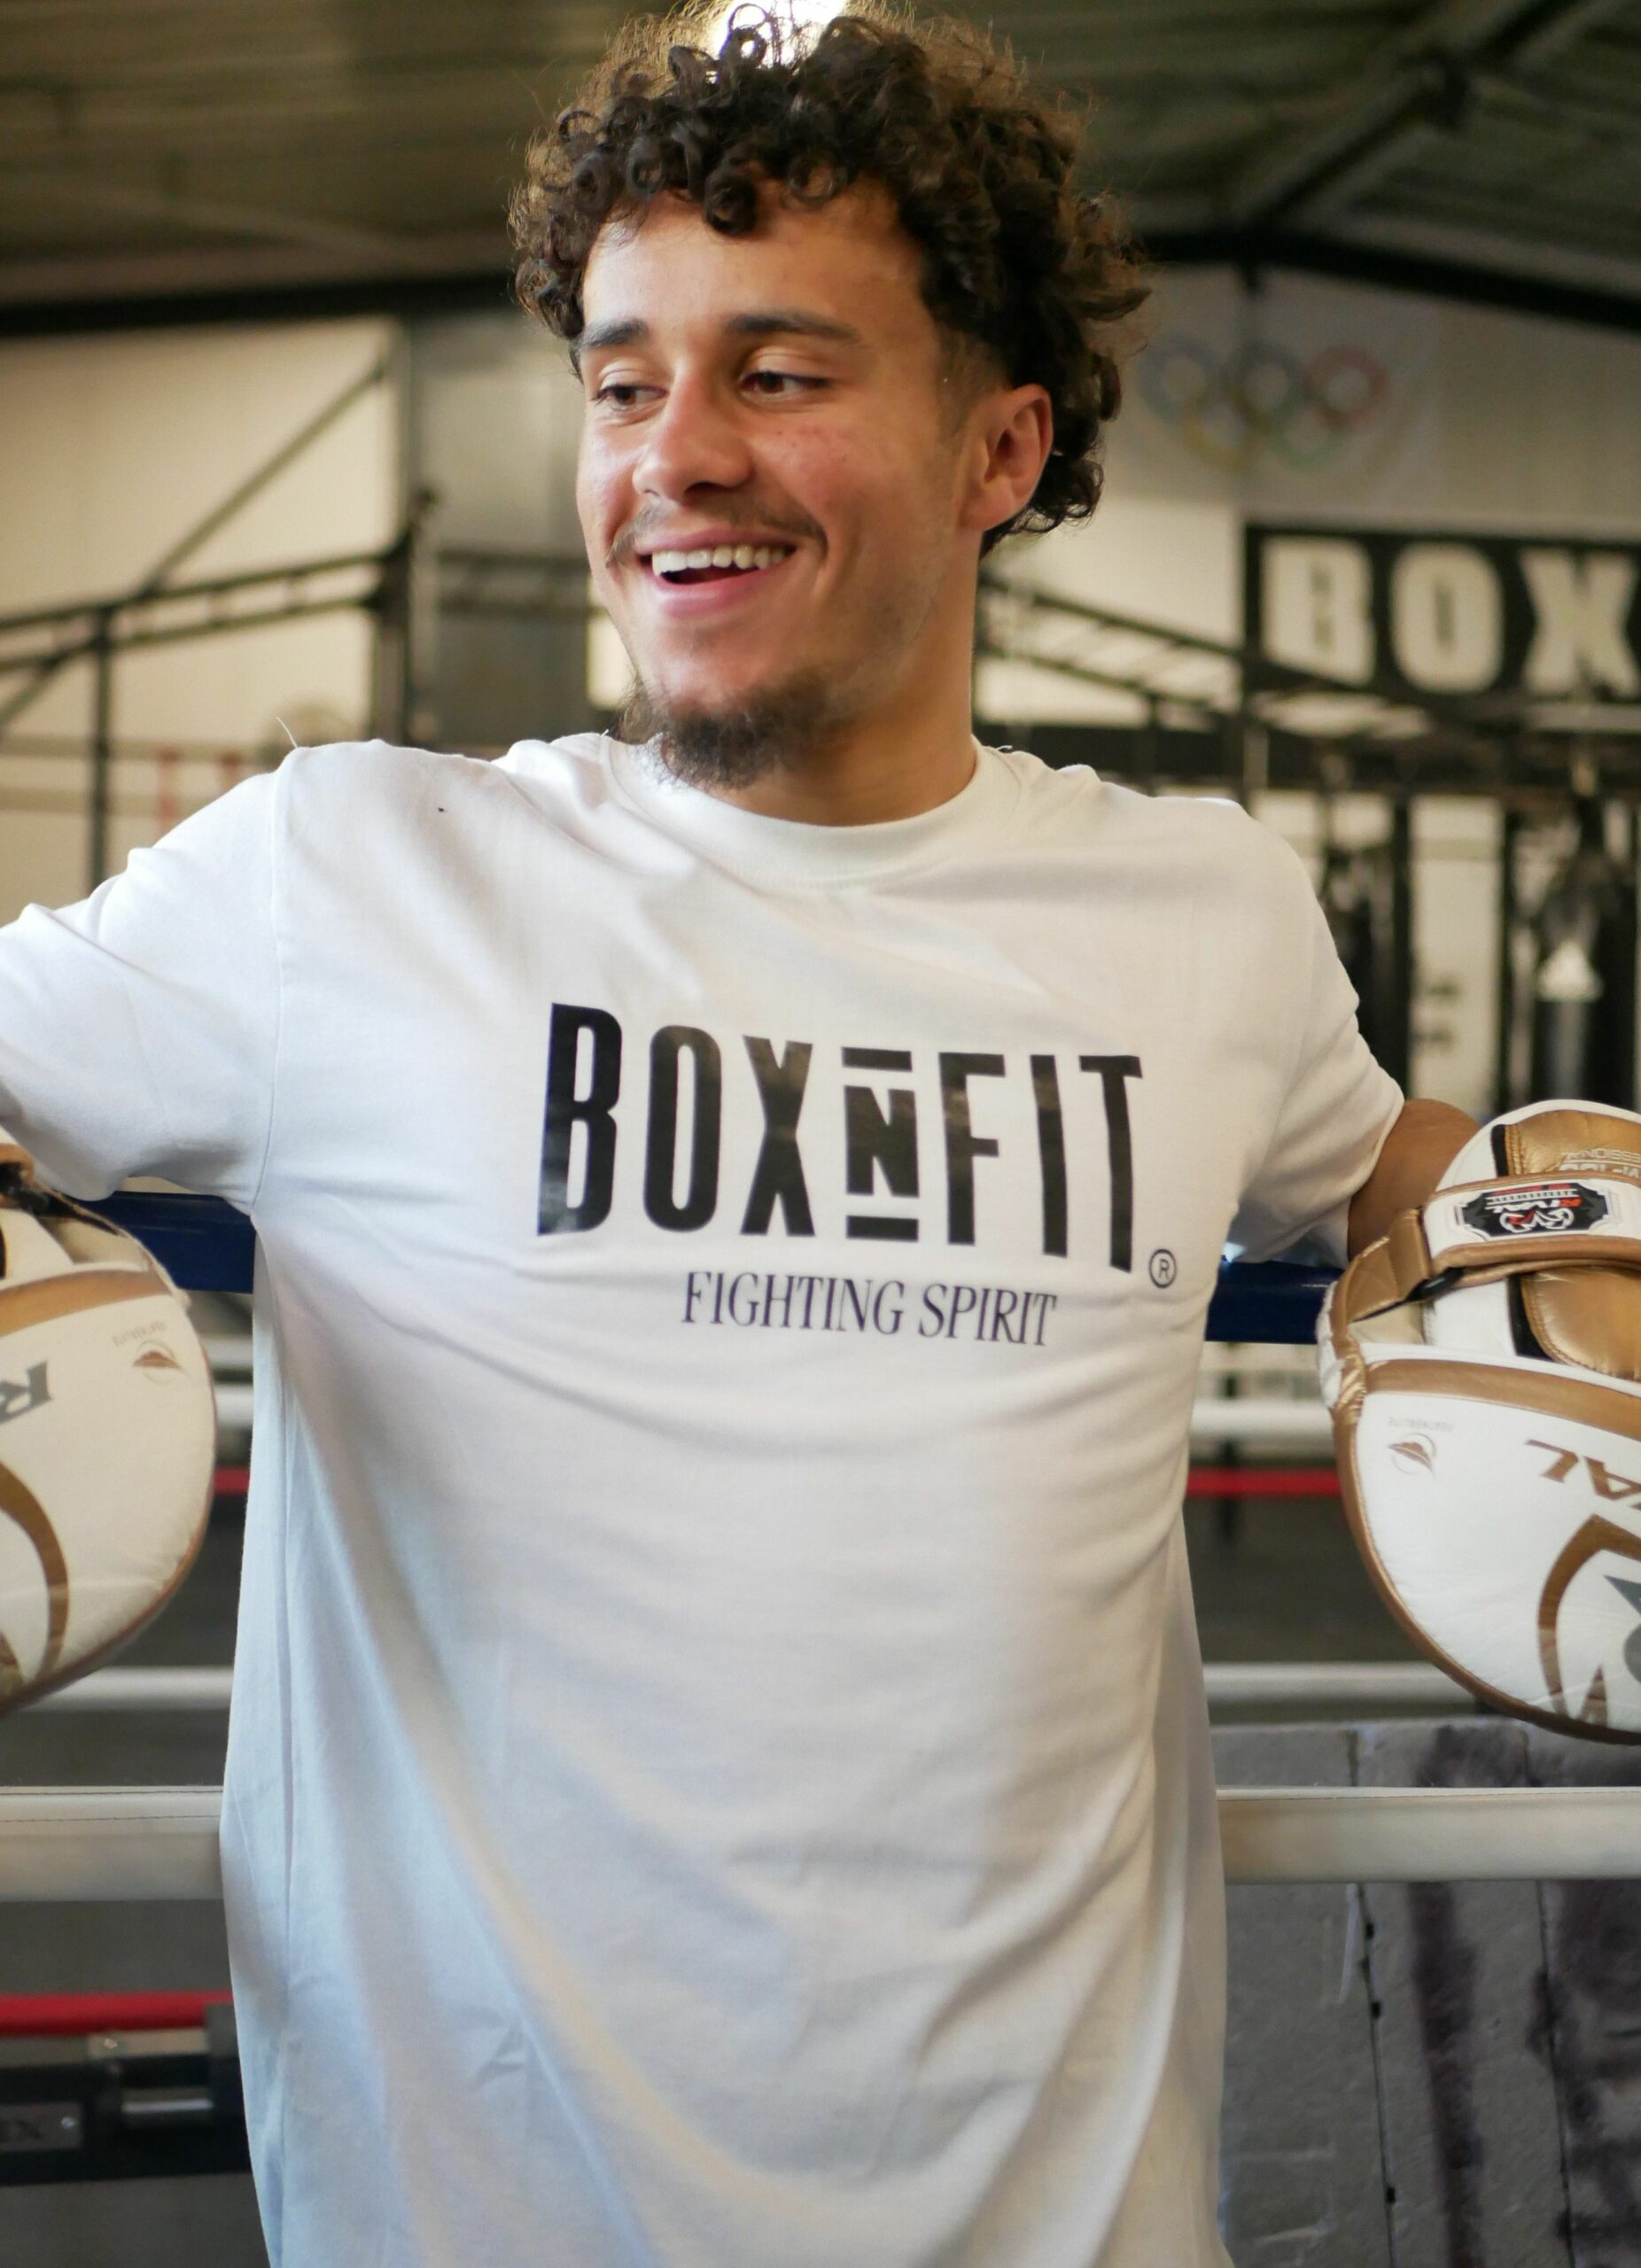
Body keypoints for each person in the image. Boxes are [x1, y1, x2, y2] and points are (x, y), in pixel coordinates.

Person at [0, 8, 1475, 2263]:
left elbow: (1413, 1180)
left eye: (776, 372)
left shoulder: (1207, 917)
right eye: (620, 382)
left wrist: (1562, 1233)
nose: (674, 454)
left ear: (998, 447)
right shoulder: (347, 879)